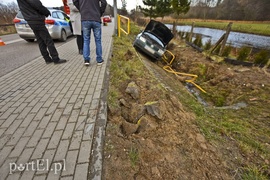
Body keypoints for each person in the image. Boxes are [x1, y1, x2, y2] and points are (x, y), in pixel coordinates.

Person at [16, 0, 67, 64]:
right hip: (37, 19)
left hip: (30, 20)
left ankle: (47, 59)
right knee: (48, 40)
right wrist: (46, 12)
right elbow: (37, 5)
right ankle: (56, 59)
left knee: (40, 40)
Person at [73, 0, 107, 66]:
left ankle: (86, 60)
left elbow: (75, 1)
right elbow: (104, 2)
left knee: (86, 40)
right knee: (98, 41)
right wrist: (100, 12)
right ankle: (99, 60)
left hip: (85, 19)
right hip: (96, 18)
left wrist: (81, 9)